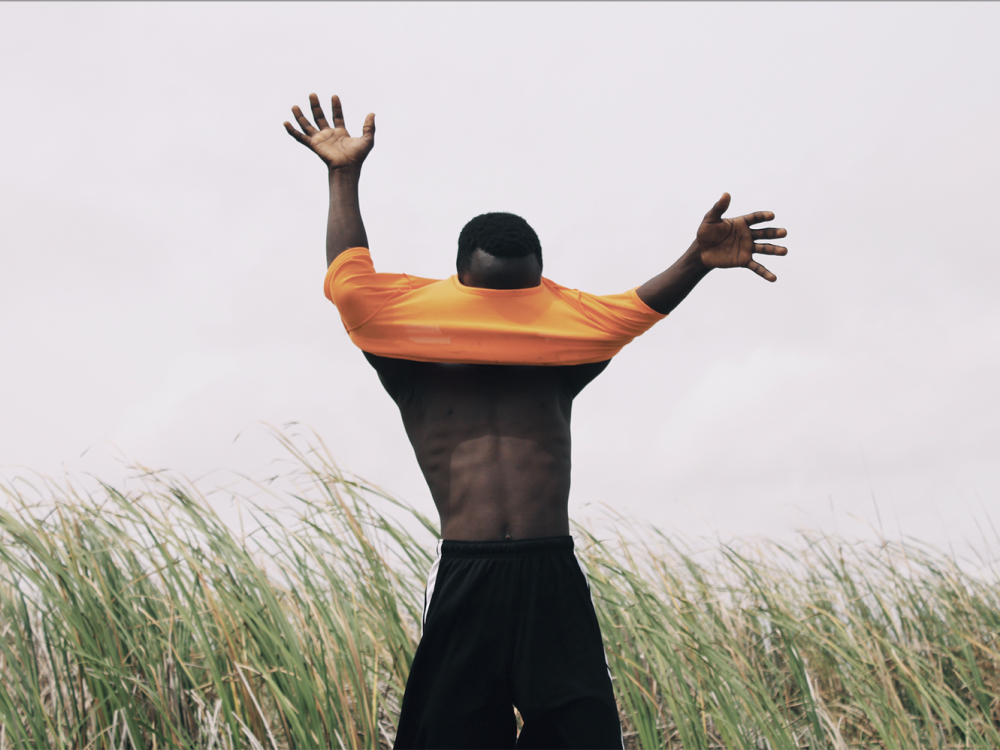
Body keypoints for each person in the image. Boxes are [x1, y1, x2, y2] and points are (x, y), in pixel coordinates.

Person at [284, 94, 787, 750]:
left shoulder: (560, 360)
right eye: (492, 296)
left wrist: (696, 261)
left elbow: (629, 312)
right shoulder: (412, 364)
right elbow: (351, 279)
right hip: (468, 571)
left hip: (550, 571)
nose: (505, 315)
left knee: (585, 736)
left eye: (520, 298)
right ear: (461, 277)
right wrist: (342, 177)